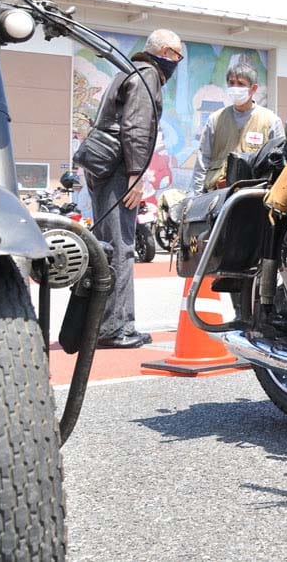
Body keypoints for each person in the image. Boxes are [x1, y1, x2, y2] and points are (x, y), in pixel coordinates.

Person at [83, 29, 184, 348]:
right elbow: (137, 126)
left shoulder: (130, 70)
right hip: (117, 171)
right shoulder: (148, 74)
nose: (176, 63)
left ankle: (101, 324)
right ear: (166, 52)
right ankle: (115, 327)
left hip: (104, 168)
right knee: (120, 246)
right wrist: (137, 175)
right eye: (177, 56)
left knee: (108, 247)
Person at [191, 62, 284, 193]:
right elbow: (203, 159)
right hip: (217, 193)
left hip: (253, 195)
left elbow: (279, 162)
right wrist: (195, 195)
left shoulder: (271, 121)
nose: (235, 87)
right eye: (231, 83)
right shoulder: (215, 119)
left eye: (241, 84)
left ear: (253, 88)